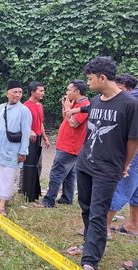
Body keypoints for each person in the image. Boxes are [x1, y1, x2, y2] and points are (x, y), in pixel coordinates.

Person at [65, 57, 138, 270]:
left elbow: (133, 139)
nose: (87, 83)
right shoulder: (95, 101)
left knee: (98, 212)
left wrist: (125, 165)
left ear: (102, 77)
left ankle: (90, 261)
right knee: (86, 208)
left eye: (90, 79)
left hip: (108, 168)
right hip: (86, 164)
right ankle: (90, 243)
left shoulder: (130, 104)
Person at [38, 80, 90, 208]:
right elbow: (66, 118)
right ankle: (67, 198)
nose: (66, 92)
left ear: (77, 91)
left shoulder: (84, 105)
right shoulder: (75, 103)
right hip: (67, 143)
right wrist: (65, 106)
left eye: (69, 90)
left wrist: (68, 108)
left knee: (57, 172)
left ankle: (48, 201)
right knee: (70, 173)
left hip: (70, 145)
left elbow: (73, 123)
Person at [0, 81, 32, 217]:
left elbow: (26, 132)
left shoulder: (24, 111)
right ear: (7, 93)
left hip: (11, 149)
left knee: (7, 175)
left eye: (20, 92)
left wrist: (23, 151)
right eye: (14, 92)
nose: (17, 95)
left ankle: (2, 205)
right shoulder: (0, 108)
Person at [20, 81, 50, 202]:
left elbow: (40, 122)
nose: (43, 93)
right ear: (33, 92)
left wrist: (45, 138)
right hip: (27, 138)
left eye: (43, 90)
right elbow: (21, 124)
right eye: (40, 91)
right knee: (26, 164)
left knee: (38, 164)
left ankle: (34, 188)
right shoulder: (25, 106)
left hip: (37, 138)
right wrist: (29, 131)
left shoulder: (39, 105)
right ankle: (23, 188)